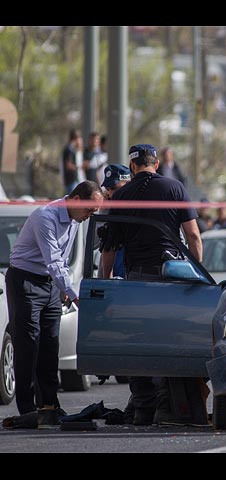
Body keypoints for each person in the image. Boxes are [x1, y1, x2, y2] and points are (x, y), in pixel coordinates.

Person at [101, 144, 202, 426]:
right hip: (172, 279)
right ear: (155, 164)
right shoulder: (175, 189)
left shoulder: (121, 195)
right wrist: (196, 274)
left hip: (136, 282)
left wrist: (104, 283)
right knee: (171, 340)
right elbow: (193, 237)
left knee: (138, 342)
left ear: (132, 167)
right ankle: (166, 405)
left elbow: (109, 247)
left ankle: (143, 408)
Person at [5, 181, 103, 426]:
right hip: (25, 281)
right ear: (77, 200)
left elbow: (64, 260)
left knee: (50, 344)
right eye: (90, 210)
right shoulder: (45, 216)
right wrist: (71, 291)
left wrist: (61, 290)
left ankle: (48, 405)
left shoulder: (74, 220)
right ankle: (27, 408)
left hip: (48, 284)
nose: (91, 216)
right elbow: (53, 259)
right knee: (28, 344)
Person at [98, 164, 131, 278]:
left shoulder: (139, 211)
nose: (111, 194)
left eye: (115, 189)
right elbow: (99, 244)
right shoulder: (107, 212)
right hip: (112, 283)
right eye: (108, 189)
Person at [61, 129, 85, 194]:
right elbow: (68, 165)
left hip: (71, 181)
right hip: (72, 181)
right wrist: (80, 166)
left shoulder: (70, 149)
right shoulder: (69, 149)